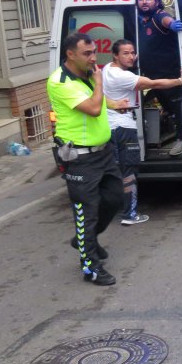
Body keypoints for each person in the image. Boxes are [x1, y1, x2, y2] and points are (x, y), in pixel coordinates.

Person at [47, 32, 130, 286]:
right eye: (87, 53)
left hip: (103, 153)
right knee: (86, 213)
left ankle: (85, 239)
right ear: (70, 54)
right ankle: (91, 268)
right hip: (80, 158)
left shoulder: (84, 76)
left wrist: (114, 105)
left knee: (115, 197)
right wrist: (100, 81)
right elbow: (93, 109)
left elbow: (99, 102)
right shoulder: (60, 81)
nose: (94, 58)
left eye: (94, 52)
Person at [103, 39, 182, 225]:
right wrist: (180, 81)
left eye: (133, 52)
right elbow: (154, 83)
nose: (131, 56)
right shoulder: (122, 76)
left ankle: (112, 209)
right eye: (125, 53)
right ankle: (129, 214)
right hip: (123, 128)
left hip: (109, 127)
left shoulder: (106, 69)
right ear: (115, 55)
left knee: (115, 171)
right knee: (129, 171)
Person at [135, 0, 182, 155]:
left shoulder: (158, 16)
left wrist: (171, 24)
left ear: (156, 2)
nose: (144, 2)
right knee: (168, 107)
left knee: (177, 106)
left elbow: (165, 19)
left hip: (169, 74)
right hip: (152, 76)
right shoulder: (141, 21)